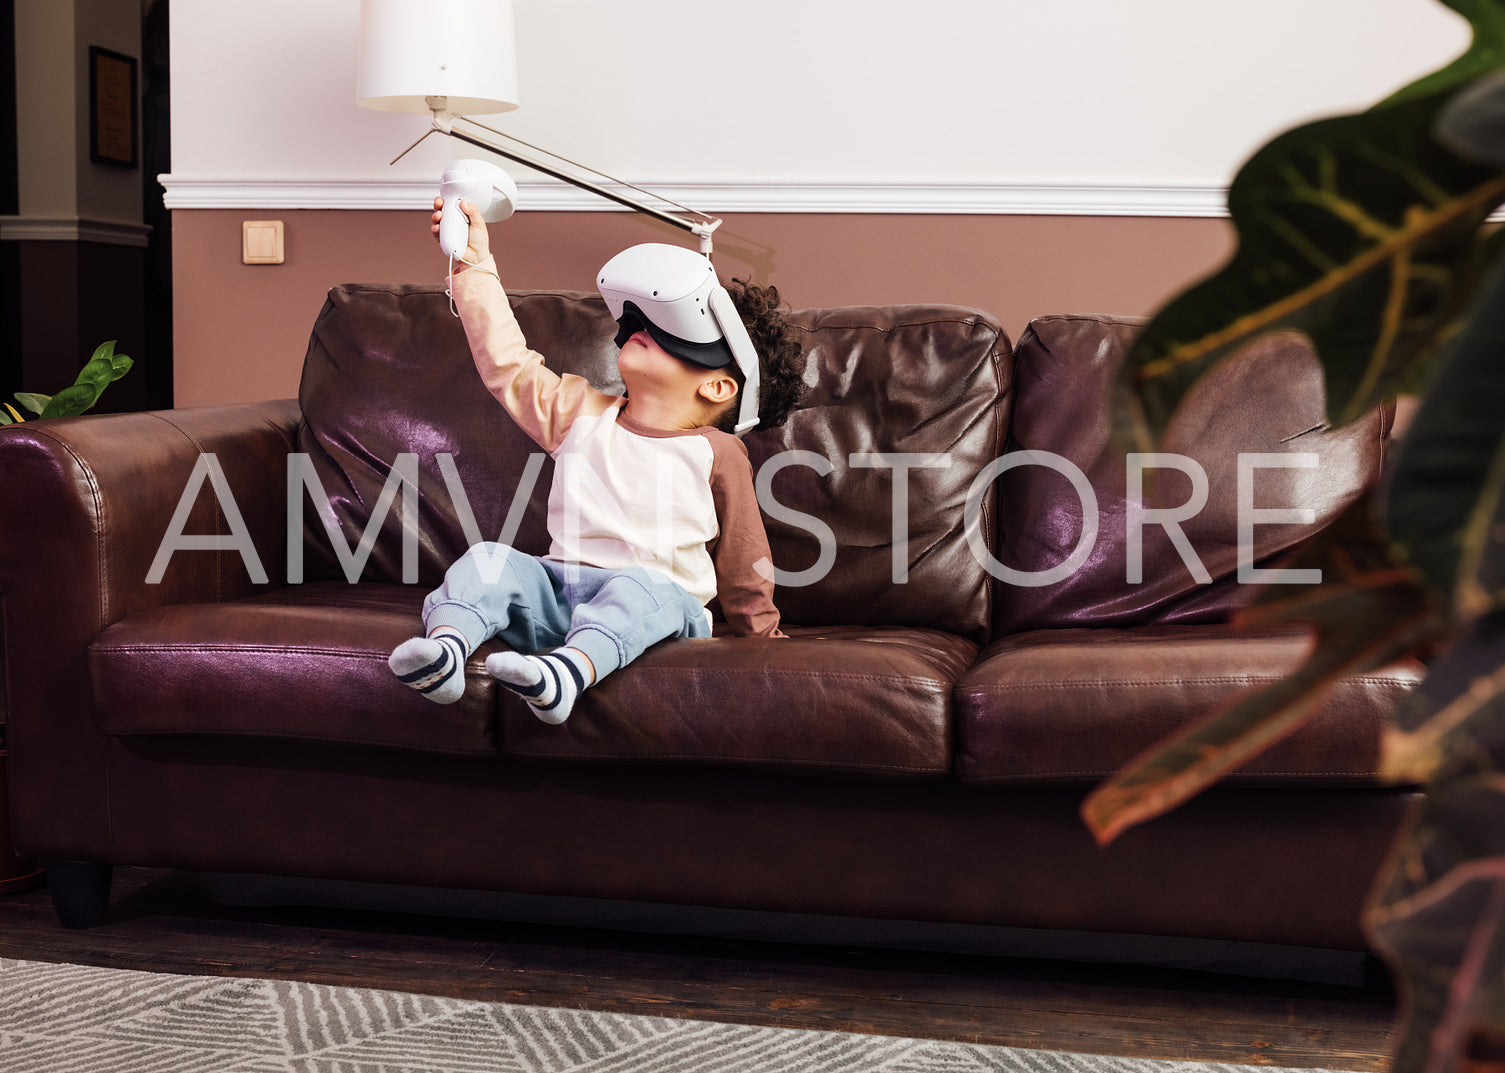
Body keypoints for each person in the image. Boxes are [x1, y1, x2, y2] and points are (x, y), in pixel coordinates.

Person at [388, 198, 806, 724]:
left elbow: (745, 559)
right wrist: (473, 264)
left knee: (642, 586)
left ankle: (567, 674)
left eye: (667, 330)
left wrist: (764, 639)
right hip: (560, 595)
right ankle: (446, 651)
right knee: (488, 560)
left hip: (658, 614)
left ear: (719, 385)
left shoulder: (716, 453)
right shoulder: (579, 413)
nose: (640, 327)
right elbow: (506, 363)